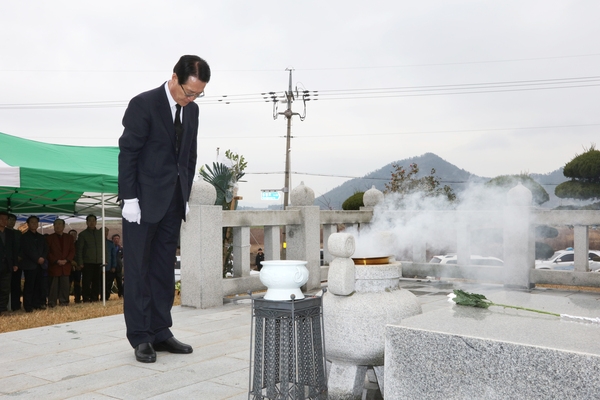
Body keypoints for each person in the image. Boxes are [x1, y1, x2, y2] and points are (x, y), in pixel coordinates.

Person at [118, 55, 210, 363]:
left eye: (198, 94)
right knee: (138, 271)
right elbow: (128, 153)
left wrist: (184, 194)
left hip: (172, 203)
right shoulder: (143, 104)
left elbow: (189, 156)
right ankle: (141, 337)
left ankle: (160, 330)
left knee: (162, 270)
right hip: (141, 204)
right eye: (188, 91)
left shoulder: (192, 111)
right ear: (174, 77)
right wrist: (129, 198)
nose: (191, 98)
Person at [19, 216, 48, 312]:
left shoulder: (41, 237)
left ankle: (37, 303)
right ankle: (28, 306)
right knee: (29, 286)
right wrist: (37, 258)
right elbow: (27, 250)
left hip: (40, 265)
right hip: (30, 265)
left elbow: (45, 249)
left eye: (36, 222)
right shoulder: (24, 237)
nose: (34, 224)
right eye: (32, 222)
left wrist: (42, 258)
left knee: (39, 286)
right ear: (27, 224)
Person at [46, 219, 75, 307]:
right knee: (53, 286)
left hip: (66, 265)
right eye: (56, 224)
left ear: (63, 226)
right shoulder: (49, 238)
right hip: (54, 265)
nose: (58, 226)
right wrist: (56, 260)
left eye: (60, 224)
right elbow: (48, 252)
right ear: (54, 226)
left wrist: (67, 260)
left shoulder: (69, 238)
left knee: (65, 285)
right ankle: (52, 302)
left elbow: (72, 251)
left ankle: (64, 302)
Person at [76, 215, 103, 302]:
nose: (92, 222)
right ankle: (86, 298)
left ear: (96, 222)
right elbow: (79, 249)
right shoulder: (83, 234)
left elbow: (104, 247)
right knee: (86, 282)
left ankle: (95, 298)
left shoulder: (100, 234)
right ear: (87, 222)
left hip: (98, 261)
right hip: (87, 262)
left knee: (97, 281)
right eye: (90, 221)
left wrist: (105, 259)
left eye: (93, 221)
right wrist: (80, 262)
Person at [0, 211, 18, 315]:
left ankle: (3, 309)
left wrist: (15, 263)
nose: (4, 221)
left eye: (6, 219)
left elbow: (13, 249)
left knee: (5, 288)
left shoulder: (10, 233)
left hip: (7, 265)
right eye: (1, 218)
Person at [7, 213, 22, 311]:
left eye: (13, 220)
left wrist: (19, 257)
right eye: (10, 220)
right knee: (6, 285)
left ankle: (16, 305)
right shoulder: (3, 232)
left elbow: (22, 246)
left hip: (18, 262)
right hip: (6, 263)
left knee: (16, 285)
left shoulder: (18, 233)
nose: (11, 222)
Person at [68, 229, 82, 303]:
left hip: (77, 267)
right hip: (68, 266)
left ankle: (77, 298)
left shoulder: (78, 244)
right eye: (72, 234)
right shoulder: (66, 244)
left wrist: (78, 264)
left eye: (74, 234)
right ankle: (66, 298)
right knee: (68, 283)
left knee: (77, 283)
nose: (73, 235)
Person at [103, 228, 116, 301]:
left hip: (108, 266)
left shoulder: (110, 244)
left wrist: (113, 266)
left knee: (108, 283)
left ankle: (106, 296)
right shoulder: (98, 242)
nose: (105, 233)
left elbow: (114, 256)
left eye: (106, 232)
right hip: (98, 266)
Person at [111, 233, 124, 298]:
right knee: (109, 281)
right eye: (115, 239)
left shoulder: (121, 249)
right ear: (112, 239)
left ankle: (121, 294)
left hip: (118, 268)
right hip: (111, 268)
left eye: (117, 239)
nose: (116, 240)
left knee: (119, 282)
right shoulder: (110, 248)